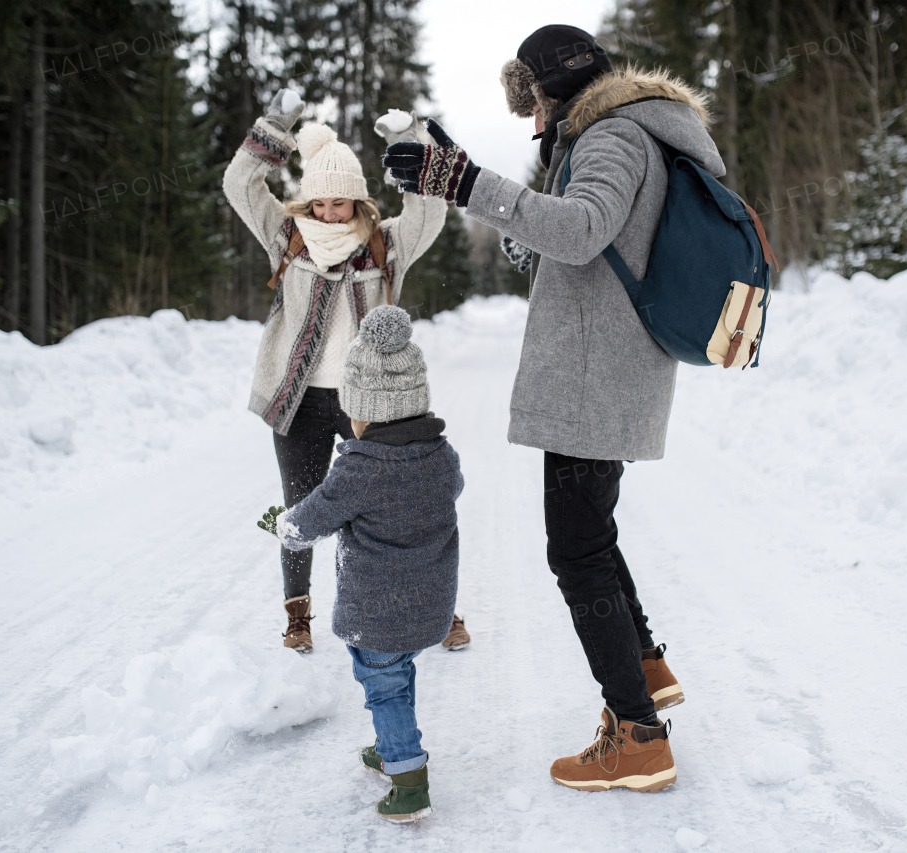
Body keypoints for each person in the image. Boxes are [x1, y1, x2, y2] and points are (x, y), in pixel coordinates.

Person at [383, 24, 728, 792]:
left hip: (591, 375)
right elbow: (562, 246)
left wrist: (467, 183)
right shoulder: (628, 131)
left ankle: (638, 734)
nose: (535, 123)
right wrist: (472, 175)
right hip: (605, 367)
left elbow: (577, 232)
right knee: (591, 538)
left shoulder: (612, 137)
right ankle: (644, 664)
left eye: (536, 104)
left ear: (559, 87)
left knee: (575, 551)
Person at [224, 88, 470, 654]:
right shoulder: (286, 239)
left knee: (407, 510)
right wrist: (276, 127)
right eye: (319, 203)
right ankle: (298, 616)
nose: (329, 213)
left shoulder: (385, 246)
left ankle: (441, 611)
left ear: (359, 202)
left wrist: (409, 142)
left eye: (340, 203)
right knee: (302, 506)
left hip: (376, 405)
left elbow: (429, 209)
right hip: (302, 400)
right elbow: (240, 184)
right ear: (307, 203)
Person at [273, 305, 462, 823]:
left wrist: (286, 527)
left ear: (366, 411)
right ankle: (394, 742)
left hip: (377, 615)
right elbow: (453, 490)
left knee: (384, 684)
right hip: (429, 608)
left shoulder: (359, 469)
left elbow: (313, 518)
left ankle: (408, 779)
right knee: (398, 675)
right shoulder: (441, 457)